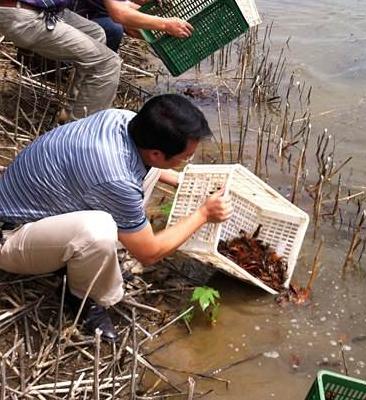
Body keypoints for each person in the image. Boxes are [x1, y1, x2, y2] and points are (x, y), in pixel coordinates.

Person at [0, 94, 232, 342]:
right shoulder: (116, 179)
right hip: (11, 235)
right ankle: (81, 297)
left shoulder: (123, 119)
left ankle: (83, 261)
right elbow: (149, 254)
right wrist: (203, 214)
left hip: (46, 205)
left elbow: (140, 169)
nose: (187, 161)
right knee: (98, 231)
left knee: (134, 188)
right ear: (156, 153)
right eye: (185, 158)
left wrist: (183, 182)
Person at [0, 0, 193, 119]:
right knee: (107, 64)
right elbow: (120, 13)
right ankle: (78, 134)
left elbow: (124, 6)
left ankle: (72, 110)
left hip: (43, 10)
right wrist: (166, 24)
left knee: (96, 34)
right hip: (24, 15)